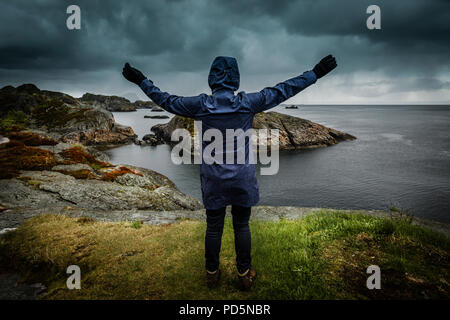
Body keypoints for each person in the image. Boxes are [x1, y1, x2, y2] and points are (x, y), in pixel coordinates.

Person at [122, 55, 337, 290]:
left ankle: (212, 274)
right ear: (235, 78)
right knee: (242, 225)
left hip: (214, 180)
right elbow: (284, 89)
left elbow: (165, 99)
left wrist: (141, 80)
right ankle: (244, 274)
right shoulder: (248, 103)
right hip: (242, 178)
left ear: (212, 78)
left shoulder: (201, 105)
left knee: (214, 227)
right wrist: (316, 72)